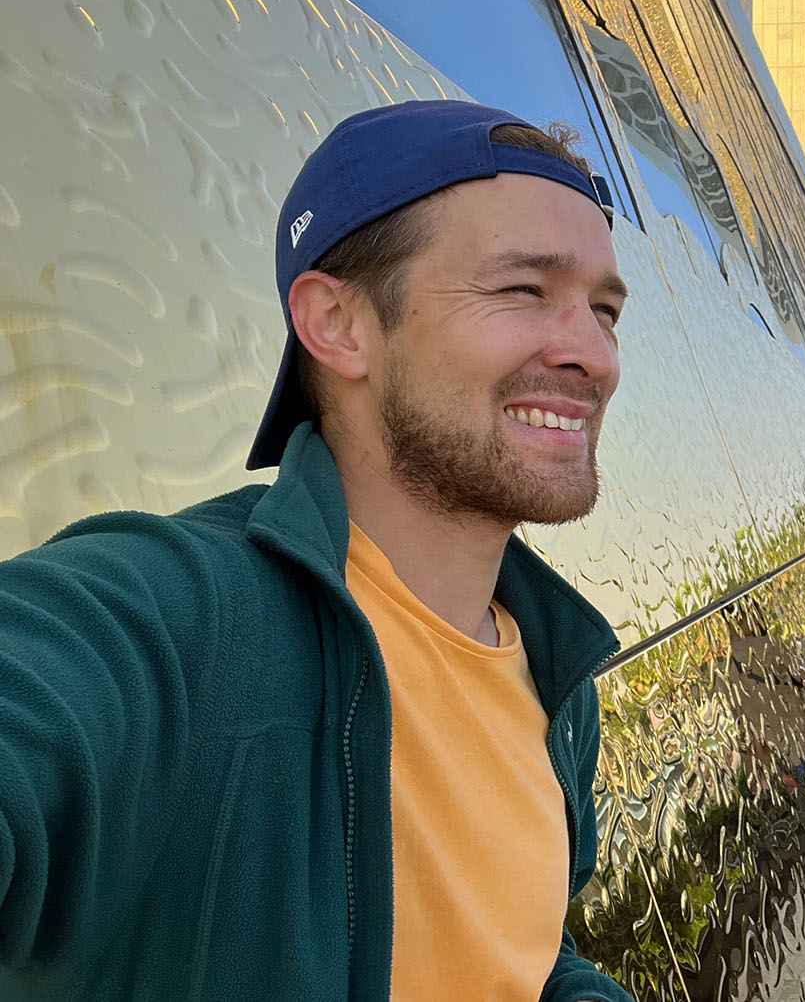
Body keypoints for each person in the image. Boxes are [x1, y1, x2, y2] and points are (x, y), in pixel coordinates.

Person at [0, 101, 634, 1001]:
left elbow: (523, 953)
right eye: (523, 291)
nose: (593, 356)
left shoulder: (556, 677)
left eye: (604, 310)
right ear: (338, 324)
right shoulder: (177, 619)